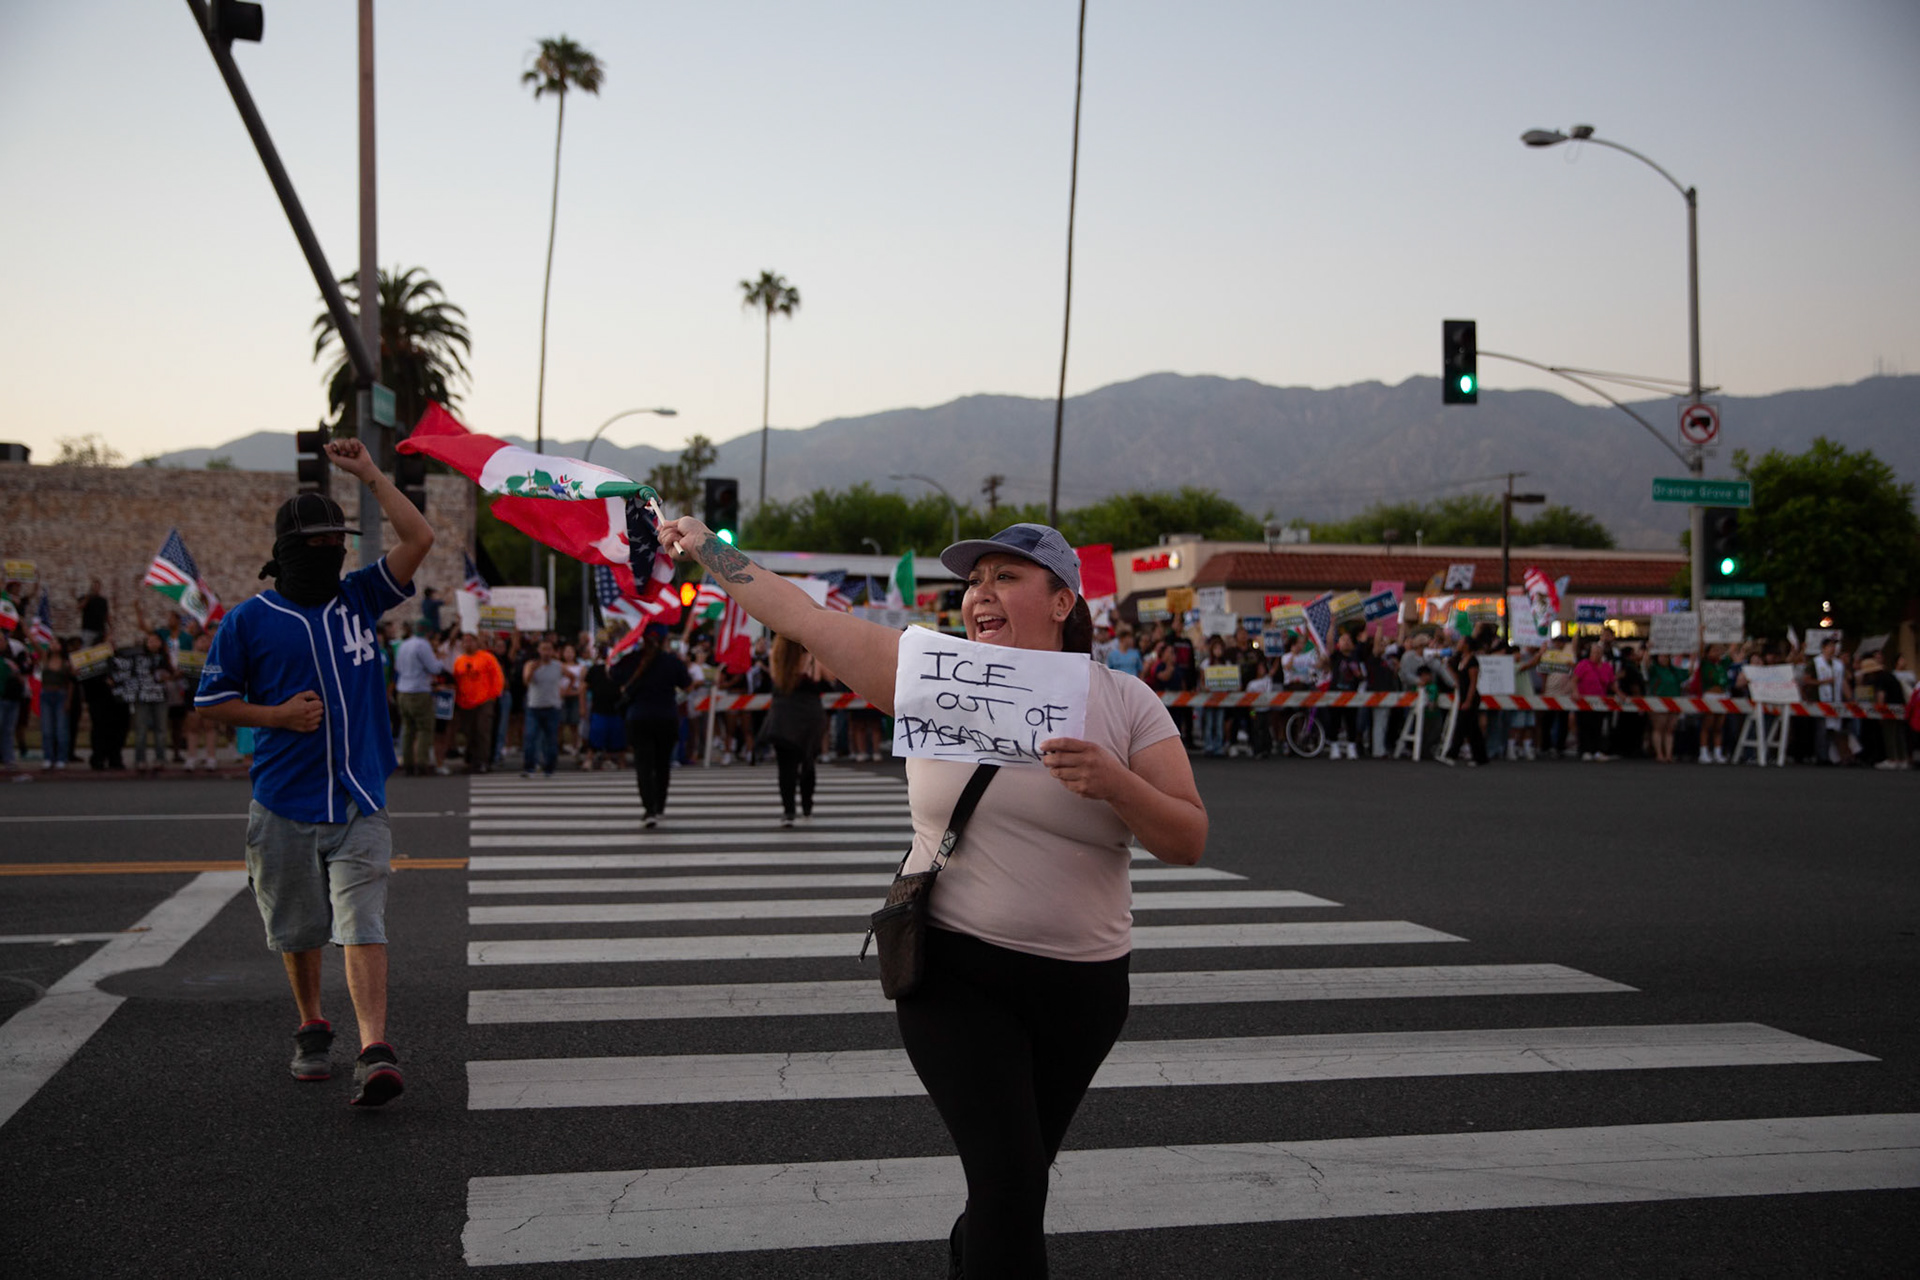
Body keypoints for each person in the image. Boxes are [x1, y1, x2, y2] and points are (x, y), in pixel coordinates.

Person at [657, 517, 1206, 1278]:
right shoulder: (930, 673)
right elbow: (802, 616)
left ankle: (970, 1252)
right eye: (974, 581)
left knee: (1015, 1186)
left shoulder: (1123, 700)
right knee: (1012, 1180)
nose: (981, 593)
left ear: (1062, 601)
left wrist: (1115, 783)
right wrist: (706, 549)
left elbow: (1187, 837)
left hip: (1084, 987)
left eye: (1006, 577)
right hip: (955, 971)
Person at [192, 438, 433, 1106]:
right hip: (282, 802)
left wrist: (370, 474)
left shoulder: (359, 597)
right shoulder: (247, 621)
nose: (334, 552)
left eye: (340, 541)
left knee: (363, 924)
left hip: (360, 798)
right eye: (321, 541)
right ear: (291, 548)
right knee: (299, 932)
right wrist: (275, 715)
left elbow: (421, 535)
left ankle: (375, 1048)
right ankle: (310, 1026)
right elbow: (212, 703)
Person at [613, 623, 691, 825]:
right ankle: (660, 805)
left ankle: (649, 809)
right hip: (666, 717)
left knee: (643, 764)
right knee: (662, 764)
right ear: (665, 640)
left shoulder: (631, 660)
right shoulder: (672, 661)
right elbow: (686, 683)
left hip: (639, 717)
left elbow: (613, 675)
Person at [763, 634, 833, 826]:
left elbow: (774, 679)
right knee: (808, 762)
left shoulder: (776, 657)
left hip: (783, 716)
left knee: (785, 766)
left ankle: (788, 810)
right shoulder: (812, 658)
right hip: (809, 715)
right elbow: (831, 677)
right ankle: (807, 805)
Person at [394, 620, 447, 777]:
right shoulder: (422, 645)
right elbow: (434, 668)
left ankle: (408, 763)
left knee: (408, 729)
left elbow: (398, 667)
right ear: (428, 632)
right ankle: (422, 763)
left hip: (402, 690)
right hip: (418, 690)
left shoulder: (404, 644)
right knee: (425, 728)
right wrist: (440, 659)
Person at [453, 633, 504, 773]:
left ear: (476, 643)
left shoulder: (487, 658)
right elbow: (456, 680)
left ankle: (484, 761)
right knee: (470, 733)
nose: (468, 644)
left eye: (470, 641)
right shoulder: (459, 661)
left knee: (483, 731)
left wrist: (493, 696)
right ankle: (472, 761)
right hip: (465, 703)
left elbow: (497, 677)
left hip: (484, 701)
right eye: (465, 641)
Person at [521, 638, 566, 777]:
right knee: (531, 737)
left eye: (549, 649)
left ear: (553, 651)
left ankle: (549, 767)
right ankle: (530, 767)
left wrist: (564, 691)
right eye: (543, 649)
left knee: (551, 739)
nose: (546, 652)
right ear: (539, 651)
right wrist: (532, 671)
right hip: (534, 706)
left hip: (552, 706)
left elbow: (572, 676)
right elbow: (526, 681)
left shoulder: (558, 665)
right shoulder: (531, 664)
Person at [37, 643, 74, 770]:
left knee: (61, 729)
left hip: (61, 695)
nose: (54, 645)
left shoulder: (66, 663)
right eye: (51, 643)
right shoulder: (45, 659)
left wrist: (68, 700)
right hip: (46, 695)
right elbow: (35, 644)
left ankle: (61, 758)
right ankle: (48, 757)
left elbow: (70, 683)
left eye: (56, 642)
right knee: (47, 729)